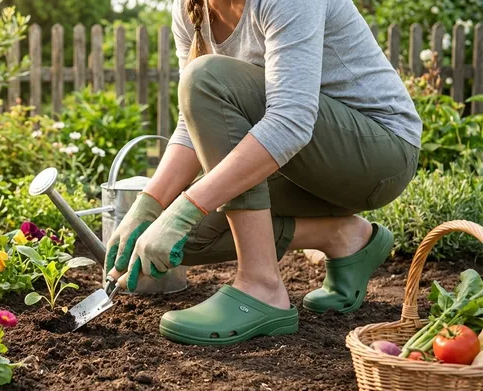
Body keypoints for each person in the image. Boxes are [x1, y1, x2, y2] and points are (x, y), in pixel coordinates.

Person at [105, 0, 422, 346]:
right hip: (298, 162)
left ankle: (262, 286)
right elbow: (193, 122)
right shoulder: (189, 9)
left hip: (377, 155)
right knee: (182, 240)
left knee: (206, 77)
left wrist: (186, 206)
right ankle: (342, 237)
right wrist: (150, 206)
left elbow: (290, 123)